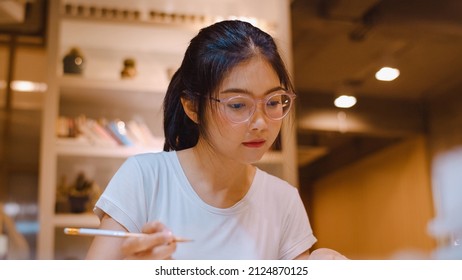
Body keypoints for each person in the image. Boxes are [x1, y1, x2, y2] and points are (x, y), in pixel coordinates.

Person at [86, 20, 345, 260]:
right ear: (193, 107)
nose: (260, 123)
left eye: (274, 102)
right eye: (237, 105)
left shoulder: (283, 200)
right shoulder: (144, 178)